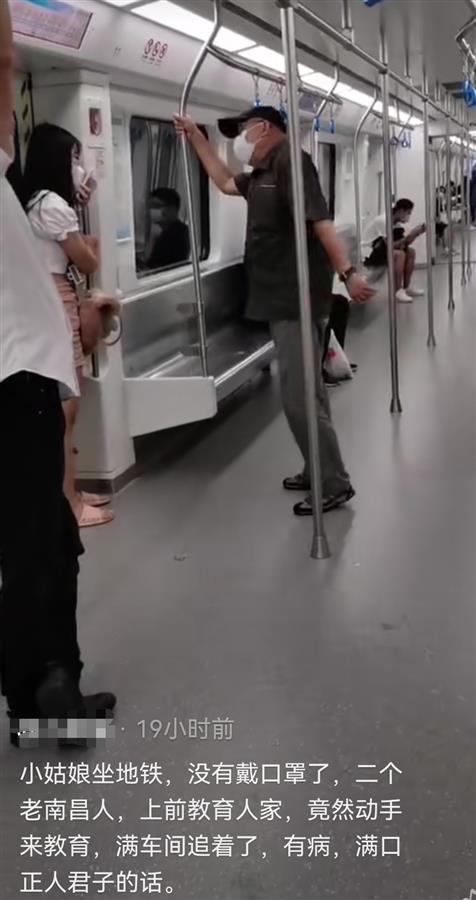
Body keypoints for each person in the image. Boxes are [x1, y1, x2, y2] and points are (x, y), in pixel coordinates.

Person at [0, 0, 115, 746]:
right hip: (19, 382)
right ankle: (48, 697)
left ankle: (40, 692)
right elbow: (3, 61)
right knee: (42, 545)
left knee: (36, 540)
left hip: (20, 377)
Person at [174, 106, 374, 517]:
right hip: (278, 297)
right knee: (308, 392)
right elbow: (223, 182)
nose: (239, 140)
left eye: (243, 130)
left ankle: (333, 482)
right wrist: (195, 135)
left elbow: (320, 223)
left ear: (263, 128)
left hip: (295, 299)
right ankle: (316, 467)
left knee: (298, 397)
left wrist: (348, 273)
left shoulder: (292, 164)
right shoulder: (262, 174)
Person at [23, 122, 114, 527]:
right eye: (75, 158)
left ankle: (70, 492)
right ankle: (69, 506)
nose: (80, 167)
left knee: (63, 407)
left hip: (48, 298)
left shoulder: (35, 202)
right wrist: (91, 243)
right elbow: (86, 261)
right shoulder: (52, 206)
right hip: (57, 298)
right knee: (66, 409)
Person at [364, 198, 426, 303]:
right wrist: (409, 236)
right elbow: (391, 246)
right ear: (401, 211)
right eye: (408, 213)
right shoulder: (384, 221)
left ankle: (406, 287)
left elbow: (403, 244)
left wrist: (416, 233)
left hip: (381, 249)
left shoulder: (397, 224)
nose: (408, 216)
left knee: (410, 252)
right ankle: (397, 290)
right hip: (369, 252)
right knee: (400, 254)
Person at [139, 187, 190, 271]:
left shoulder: (175, 235)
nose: (152, 210)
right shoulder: (166, 232)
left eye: (157, 206)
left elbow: (156, 266)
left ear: (172, 209)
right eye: (150, 206)